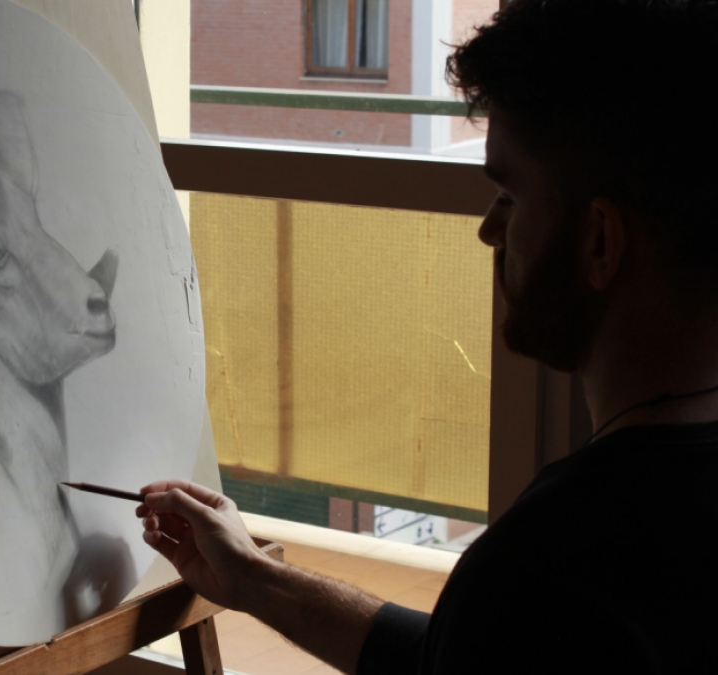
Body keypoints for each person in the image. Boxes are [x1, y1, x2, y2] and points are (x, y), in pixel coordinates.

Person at [137, 1, 718, 672]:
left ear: (599, 242)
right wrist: (252, 577)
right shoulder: (580, 578)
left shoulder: (551, 565)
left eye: (509, 197)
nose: (489, 230)